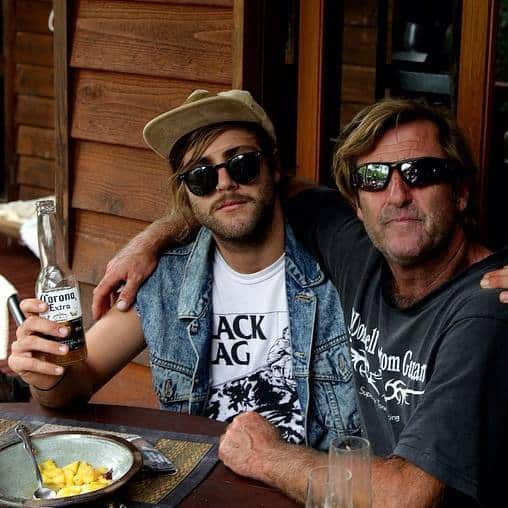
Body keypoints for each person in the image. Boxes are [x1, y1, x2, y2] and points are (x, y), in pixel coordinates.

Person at [91, 98, 508, 508]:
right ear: (356, 204)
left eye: (422, 172)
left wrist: (265, 455)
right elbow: (237, 198)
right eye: (375, 177)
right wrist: (151, 237)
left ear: (461, 193)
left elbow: (407, 496)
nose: (397, 194)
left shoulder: (488, 306)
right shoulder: (354, 251)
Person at [8, 89, 359, 451]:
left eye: (242, 165)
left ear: (273, 167)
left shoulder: (339, 272)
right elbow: (75, 382)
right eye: (202, 177)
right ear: (187, 194)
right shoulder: (166, 284)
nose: (224, 183)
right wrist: (46, 371)